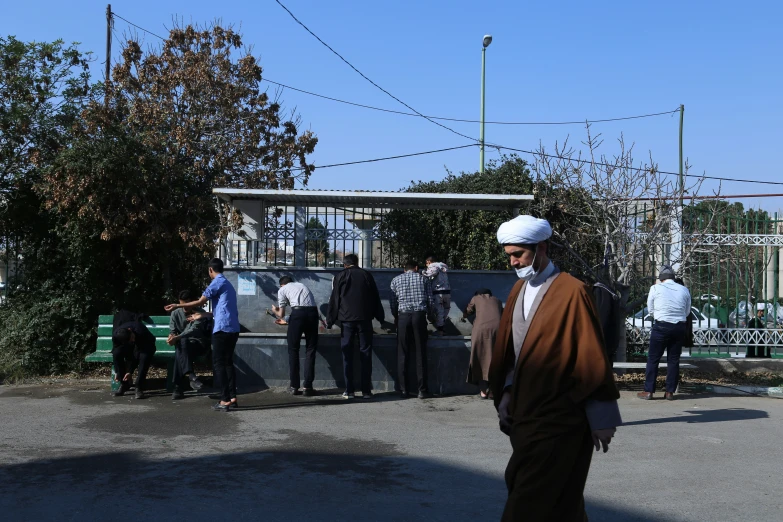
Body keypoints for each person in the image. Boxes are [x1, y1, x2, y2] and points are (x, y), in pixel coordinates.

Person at [489, 215, 621, 521]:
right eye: (508, 255)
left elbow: (590, 355)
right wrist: (507, 392)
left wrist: (602, 417)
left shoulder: (572, 292)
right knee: (562, 501)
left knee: (528, 501)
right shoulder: (518, 291)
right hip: (525, 414)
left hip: (562, 417)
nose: (512, 262)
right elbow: (513, 353)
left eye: (518, 254)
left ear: (541, 249)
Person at [165, 258, 240, 412]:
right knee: (227, 363)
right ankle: (232, 396)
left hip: (222, 329)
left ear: (210, 270)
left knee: (219, 364)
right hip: (232, 328)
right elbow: (222, 310)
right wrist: (204, 315)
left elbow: (200, 302)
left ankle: (224, 400)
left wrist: (177, 305)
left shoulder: (216, 282)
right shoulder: (227, 284)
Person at [327, 254, 385, 399]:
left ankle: (349, 390)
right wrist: (380, 317)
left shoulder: (340, 276)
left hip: (346, 320)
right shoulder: (366, 275)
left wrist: (330, 319)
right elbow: (375, 297)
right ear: (357, 262)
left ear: (345, 264)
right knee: (365, 353)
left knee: (347, 353)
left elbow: (335, 299)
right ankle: (366, 390)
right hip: (365, 319)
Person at [638, 265, 692, 401]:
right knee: (673, 360)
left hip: (661, 326)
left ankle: (649, 391)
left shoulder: (655, 288)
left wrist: (659, 316)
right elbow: (687, 311)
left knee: (653, 359)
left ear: (661, 278)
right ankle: (669, 392)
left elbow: (650, 309)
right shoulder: (684, 289)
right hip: (679, 327)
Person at [390, 259, 434, 399]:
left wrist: (396, 317)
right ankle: (422, 390)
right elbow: (430, 300)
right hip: (419, 316)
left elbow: (393, 302)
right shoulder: (424, 280)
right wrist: (430, 316)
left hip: (403, 317)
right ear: (416, 268)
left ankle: (403, 390)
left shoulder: (395, 280)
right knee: (420, 352)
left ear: (405, 269)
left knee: (402, 352)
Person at [273, 275, 319, 396]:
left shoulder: (282, 289)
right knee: (311, 349)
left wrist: (274, 310)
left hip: (298, 315)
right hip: (313, 314)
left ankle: (294, 386)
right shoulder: (302, 285)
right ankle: (308, 387)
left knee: (293, 350)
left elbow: (281, 314)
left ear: (282, 284)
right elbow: (305, 307)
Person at [167, 289, 210, 400]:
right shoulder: (175, 313)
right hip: (182, 344)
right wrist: (171, 337)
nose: (184, 308)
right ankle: (191, 377)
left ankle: (178, 387)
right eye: (182, 305)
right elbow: (172, 330)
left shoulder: (199, 313)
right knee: (180, 348)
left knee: (180, 348)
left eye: (187, 305)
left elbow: (194, 330)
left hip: (197, 344)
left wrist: (178, 337)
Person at [461, 289, 502, 399]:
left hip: (481, 330)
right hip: (498, 330)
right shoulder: (497, 300)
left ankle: (483, 391)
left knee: (479, 358)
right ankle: (493, 390)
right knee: (494, 358)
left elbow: (468, 310)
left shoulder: (476, 298)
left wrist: (464, 316)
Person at [111, 310, 157, 400]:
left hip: (146, 346)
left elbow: (137, 353)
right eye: (130, 340)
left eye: (132, 338)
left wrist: (130, 371)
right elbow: (115, 351)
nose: (132, 340)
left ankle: (139, 386)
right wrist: (117, 371)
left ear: (130, 330)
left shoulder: (140, 330)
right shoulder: (116, 336)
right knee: (117, 353)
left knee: (144, 357)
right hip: (130, 347)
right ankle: (124, 384)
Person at [423, 255, 451, 336]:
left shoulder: (433, 266)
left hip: (438, 292)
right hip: (447, 292)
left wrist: (423, 272)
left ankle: (440, 330)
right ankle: (442, 325)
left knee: (439, 311)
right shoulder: (443, 267)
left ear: (428, 262)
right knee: (446, 309)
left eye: (426, 263)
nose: (426, 265)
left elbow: (430, 273)